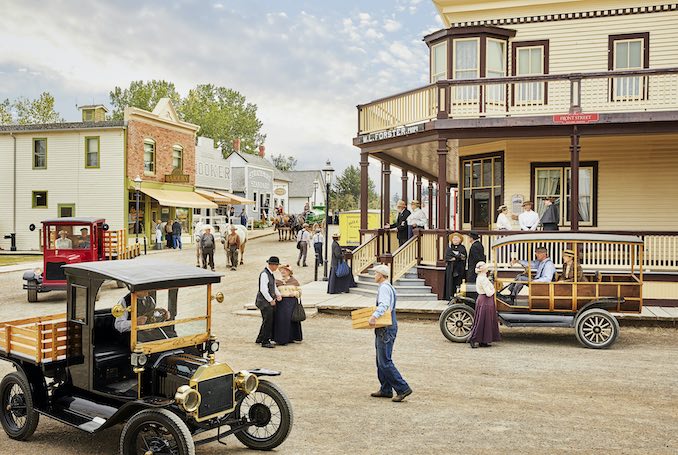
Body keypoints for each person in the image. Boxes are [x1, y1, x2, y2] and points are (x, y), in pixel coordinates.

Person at [368, 264, 412, 402]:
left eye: (376, 274)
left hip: (385, 327)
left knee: (384, 361)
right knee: (380, 360)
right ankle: (386, 388)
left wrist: (374, 316)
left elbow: (384, 305)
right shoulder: (389, 287)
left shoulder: (384, 288)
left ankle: (402, 388)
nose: (374, 276)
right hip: (388, 325)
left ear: (381, 275)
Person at [468, 262, 501, 348]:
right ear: (483, 269)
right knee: (482, 320)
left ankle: (483, 341)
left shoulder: (481, 277)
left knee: (484, 321)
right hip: (486, 300)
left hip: (483, 300)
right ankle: (474, 338)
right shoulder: (483, 279)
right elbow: (489, 293)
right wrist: (494, 289)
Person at [255, 256, 282, 348]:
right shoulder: (265, 274)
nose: (277, 267)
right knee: (268, 321)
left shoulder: (270, 274)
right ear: (272, 265)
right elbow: (263, 289)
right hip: (264, 301)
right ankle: (265, 341)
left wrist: (278, 294)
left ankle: (260, 338)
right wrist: (270, 300)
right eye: (276, 265)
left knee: (266, 320)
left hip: (265, 300)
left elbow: (273, 286)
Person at [273, 264, 303, 345]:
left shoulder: (294, 281)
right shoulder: (277, 281)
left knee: (291, 320)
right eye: (281, 270)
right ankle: (281, 339)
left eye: (285, 270)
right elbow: (273, 292)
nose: (283, 272)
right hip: (281, 303)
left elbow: (299, 292)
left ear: (289, 272)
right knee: (281, 320)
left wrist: (294, 293)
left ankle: (291, 337)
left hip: (291, 303)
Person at [444, 232, 467, 300]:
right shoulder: (449, 247)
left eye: (457, 238)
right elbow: (447, 257)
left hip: (459, 269)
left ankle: (459, 297)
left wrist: (456, 257)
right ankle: (450, 297)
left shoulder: (462, 248)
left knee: (459, 283)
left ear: (460, 240)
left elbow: (463, 257)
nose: (455, 240)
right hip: (451, 269)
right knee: (450, 283)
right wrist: (457, 257)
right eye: (454, 238)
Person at [465, 231, 486, 300]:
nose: (468, 239)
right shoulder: (479, 245)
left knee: (472, 284)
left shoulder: (474, 246)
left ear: (472, 238)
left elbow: (477, 258)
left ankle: (471, 299)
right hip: (476, 268)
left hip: (474, 269)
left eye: (469, 238)